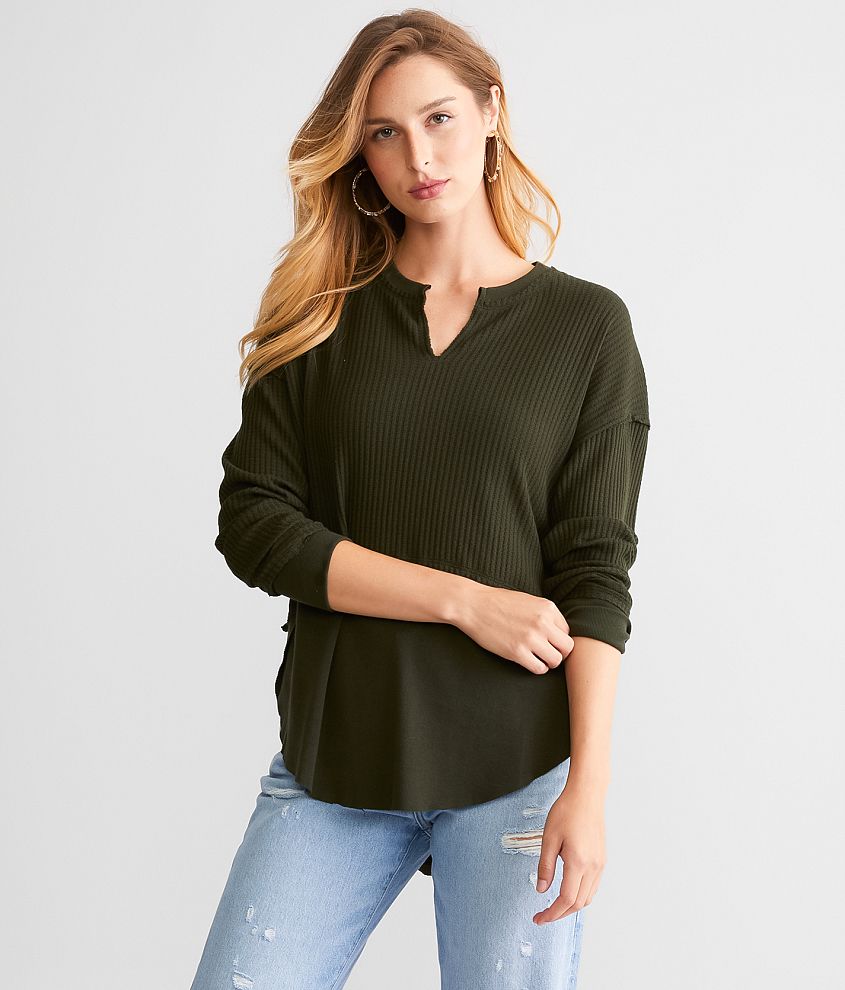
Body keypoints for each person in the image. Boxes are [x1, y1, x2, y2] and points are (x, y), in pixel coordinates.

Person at [189, 9, 650, 989]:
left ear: (489, 111)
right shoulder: (317, 321)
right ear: (359, 154)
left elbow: (595, 571)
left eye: (438, 118)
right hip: (337, 756)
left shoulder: (585, 329)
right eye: (385, 133)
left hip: (517, 766)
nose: (419, 157)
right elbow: (254, 524)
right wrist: (459, 599)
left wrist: (589, 787)